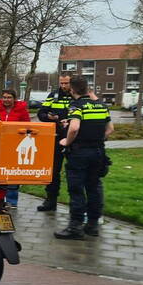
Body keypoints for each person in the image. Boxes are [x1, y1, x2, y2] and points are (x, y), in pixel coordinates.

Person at [53, 77, 112, 240]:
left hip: (79, 153)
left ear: (72, 90)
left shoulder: (76, 105)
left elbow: (75, 128)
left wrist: (67, 141)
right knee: (94, 187)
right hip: (98, 152)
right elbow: (110, 129)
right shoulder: (101, 105)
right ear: (87, 88)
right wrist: (97, 139)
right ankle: (92, 225)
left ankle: (75, 227)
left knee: (77, 189)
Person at [36, 73, 73, 212]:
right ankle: (51, 201)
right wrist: (50, 117)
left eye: (66, 83)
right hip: (56, 139)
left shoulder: (77, 95)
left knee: (74, 172)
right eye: (61, 83)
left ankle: (75, 204)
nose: (63, 86)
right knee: (53, 171)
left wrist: (63, 117)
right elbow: (41, 113)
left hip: (73, 139)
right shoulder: (53, 95)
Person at [0, 89, 30, 208]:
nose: (6, 100)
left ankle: (12, 201)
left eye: (9, 97)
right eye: (4, 97)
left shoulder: (22, 110)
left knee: (13, 173)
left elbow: (27, 125)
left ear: (14, 99)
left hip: (15, 145)